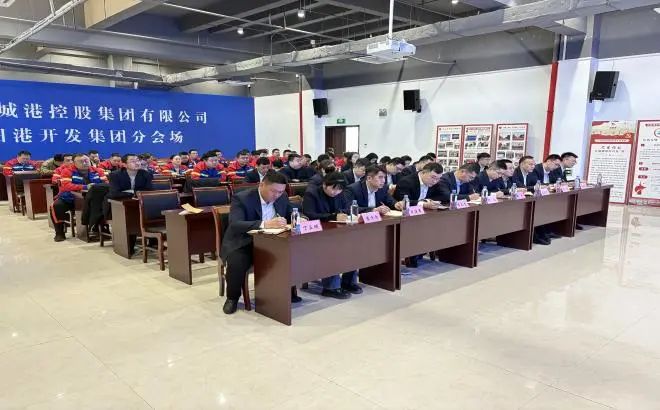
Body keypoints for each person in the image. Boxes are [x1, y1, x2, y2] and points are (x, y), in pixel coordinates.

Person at [221, 172, 298, 314]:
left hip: (272, 242)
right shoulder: (242, 198)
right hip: (244, 242)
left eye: (280, 192)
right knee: (237, 262)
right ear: (262, 185)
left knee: (292, 254)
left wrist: (300, 218)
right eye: (273, 191)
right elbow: (235, 224)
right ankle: (232, 298)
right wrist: (265, 224)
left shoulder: (282, 197)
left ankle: (288, 292)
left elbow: (291, 212)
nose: (277, 195)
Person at [302, 172, 359, 298]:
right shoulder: (311, 194)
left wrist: (343, 214)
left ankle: (348, 282)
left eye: (339, 189)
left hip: (336, 230)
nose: (336, 192)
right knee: (332, 247)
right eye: (334, 188)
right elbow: (309, 215)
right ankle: (330, 287)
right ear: (324, 185)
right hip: (316, 234)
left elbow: (346, 208)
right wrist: (333, 216)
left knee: (354, 244)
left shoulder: (341, 193)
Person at [393, 163, 445, 268]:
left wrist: (428, 201)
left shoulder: (435, 183)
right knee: (419, 228)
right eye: (433, 177)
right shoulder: (406, 181)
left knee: (439, 225)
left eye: (438, 179)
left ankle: (421, 251)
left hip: (423, 215)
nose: (435, 181)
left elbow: (444, 195)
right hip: (404, 217)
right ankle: (413, 254)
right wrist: (423, 204)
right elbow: (403, 201)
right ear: (423, 172)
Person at [50, 154, 107, 242]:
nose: (85, 163)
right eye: (81, 161)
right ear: (74, 163)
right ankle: (59, 232)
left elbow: (106, 183)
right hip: (70, 198)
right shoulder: (67, 171)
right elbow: (66, 186)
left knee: (106, 204)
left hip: (93, 199)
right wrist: (85, 187)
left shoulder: (98, 171)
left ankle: (100, 229)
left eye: (86, 161)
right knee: (56, 206)